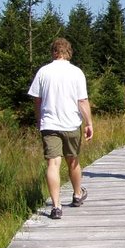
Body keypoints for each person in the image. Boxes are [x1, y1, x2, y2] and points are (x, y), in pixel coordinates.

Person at [28, 38, 93, 219]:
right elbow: (82, 101)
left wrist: (39, 118)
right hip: (71, 123)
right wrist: (89, 123)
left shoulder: (43, 72)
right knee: (72, 160)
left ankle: (56, 206)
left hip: (49, 124)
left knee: (53, 163)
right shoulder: (76, 72)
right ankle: (77, 194)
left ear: (54, 52)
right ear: (68, 52)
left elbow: (37, 100)